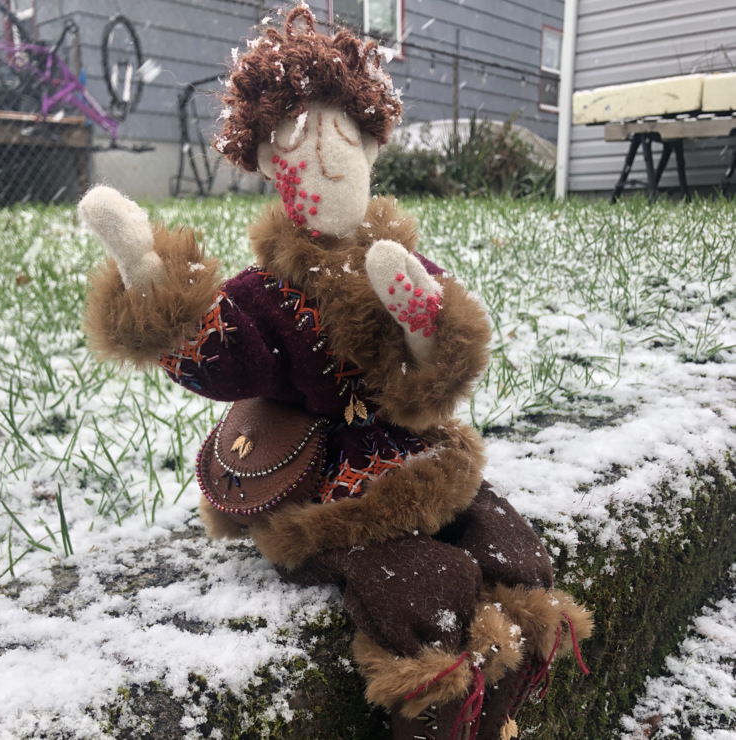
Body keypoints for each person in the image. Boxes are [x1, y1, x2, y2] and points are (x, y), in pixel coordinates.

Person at [79, 8, 592, 739]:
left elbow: (442, 374)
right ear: (263, 161)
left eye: (345, 138)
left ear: (374, 144)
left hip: (417, 452)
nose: (325, 160)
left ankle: (507, 706)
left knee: (508, 543)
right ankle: (447, 715)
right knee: (417, 583)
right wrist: (152, 279)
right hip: (329, 482)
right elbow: (227, 359)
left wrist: (422, 327)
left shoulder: (399, 262)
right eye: (294, 144)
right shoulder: (264, 295)